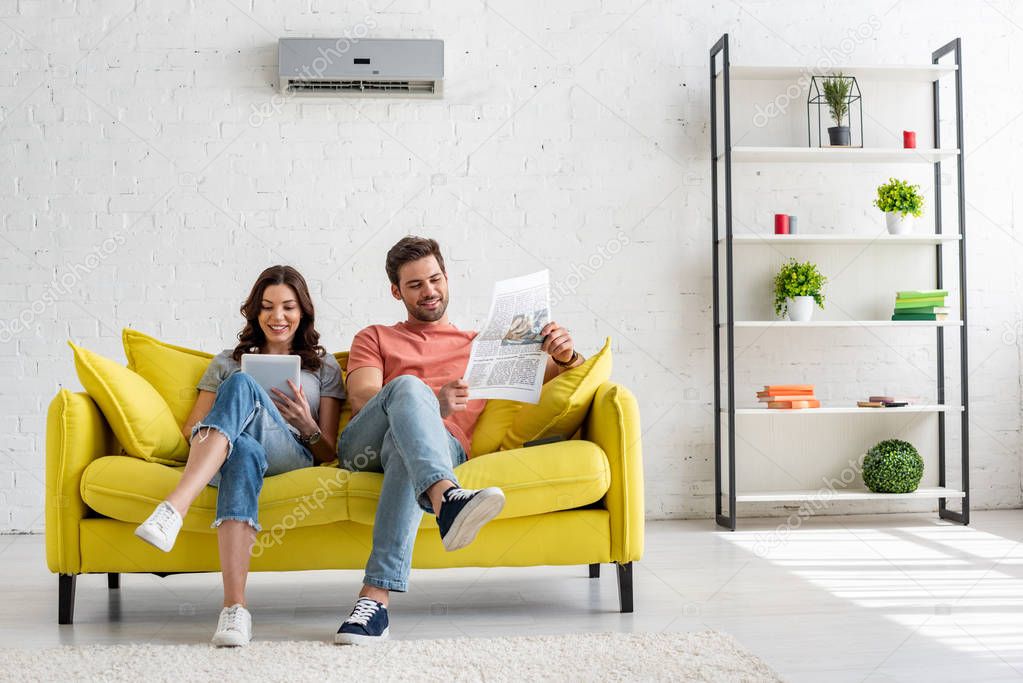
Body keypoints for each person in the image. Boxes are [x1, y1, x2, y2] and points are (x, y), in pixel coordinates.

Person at [334, 236, 583, 645]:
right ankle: (449, 498)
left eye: (434, 279)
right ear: (396, 291)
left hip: (440, 448)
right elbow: (363, 398)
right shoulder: (375, 335)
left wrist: (566, 354)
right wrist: (431, 403)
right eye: (415, 285)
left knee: (405, 447)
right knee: (409, 389)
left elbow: (565, 379)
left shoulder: (483, 346)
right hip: (364, 448)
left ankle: (374, 602)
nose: (429, 291)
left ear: (446, 278)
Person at [133, 265, 344, 647]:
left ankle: (174, 508)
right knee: (243, 447)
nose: (277, 317)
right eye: (266, 307)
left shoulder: (324, 367)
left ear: (303, 312)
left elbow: (329, 451)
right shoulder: (227, 361)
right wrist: (234, 428)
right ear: (255, 312)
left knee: (243, 383)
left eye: (288, 307)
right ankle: (235, 610)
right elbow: (190, 432)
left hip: (291, 454)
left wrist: (305, 422)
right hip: (232, 455)